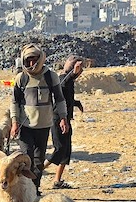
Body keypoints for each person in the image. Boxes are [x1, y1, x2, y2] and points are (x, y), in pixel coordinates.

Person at [9, 44, 67, 189]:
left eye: (33, 59)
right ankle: (23, 189)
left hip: (43, 125)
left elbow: (59, 99)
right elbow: (15, 101)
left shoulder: (50, 76)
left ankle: (34, 190)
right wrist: (14, 122)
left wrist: (63, 118)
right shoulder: (21, 78)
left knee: (38, 161)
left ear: (40, 59)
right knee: (26, 159)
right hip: (25, 125)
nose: (31, 63)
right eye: (27, 60)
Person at [46, 55, 87, 188]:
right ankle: (36, 171)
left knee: (66, 151)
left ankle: (57, 181)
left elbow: (66, 98)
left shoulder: (69, 81)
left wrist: (76, 103)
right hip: (58, 119)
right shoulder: (62, 79)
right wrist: (73, 73)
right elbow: (60, 94)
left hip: (65, 120)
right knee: (59, 150)